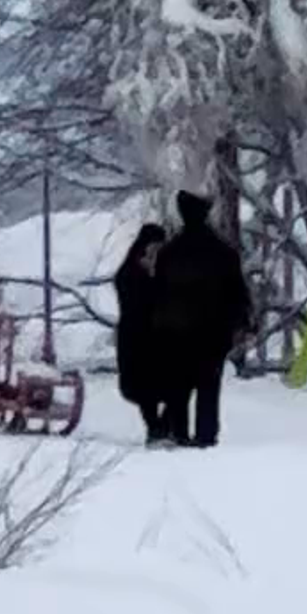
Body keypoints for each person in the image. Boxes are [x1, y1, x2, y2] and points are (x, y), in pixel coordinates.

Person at [152, 184, 250, 448]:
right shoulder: (223, 253)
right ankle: (206, 434)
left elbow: (157, 296)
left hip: (177, 332)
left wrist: (156, 328)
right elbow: (237, 291)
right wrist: (243, 321)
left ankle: (179, 431)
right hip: (212, 333)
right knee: (208, 384)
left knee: (179, 384)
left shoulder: (169, 253)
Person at [111, 217, 177, 446]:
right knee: (144, 389)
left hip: (162, 339)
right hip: (137, 339)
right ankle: (156, 430)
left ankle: (165, 429)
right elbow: (137, 304)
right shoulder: (129, 273)